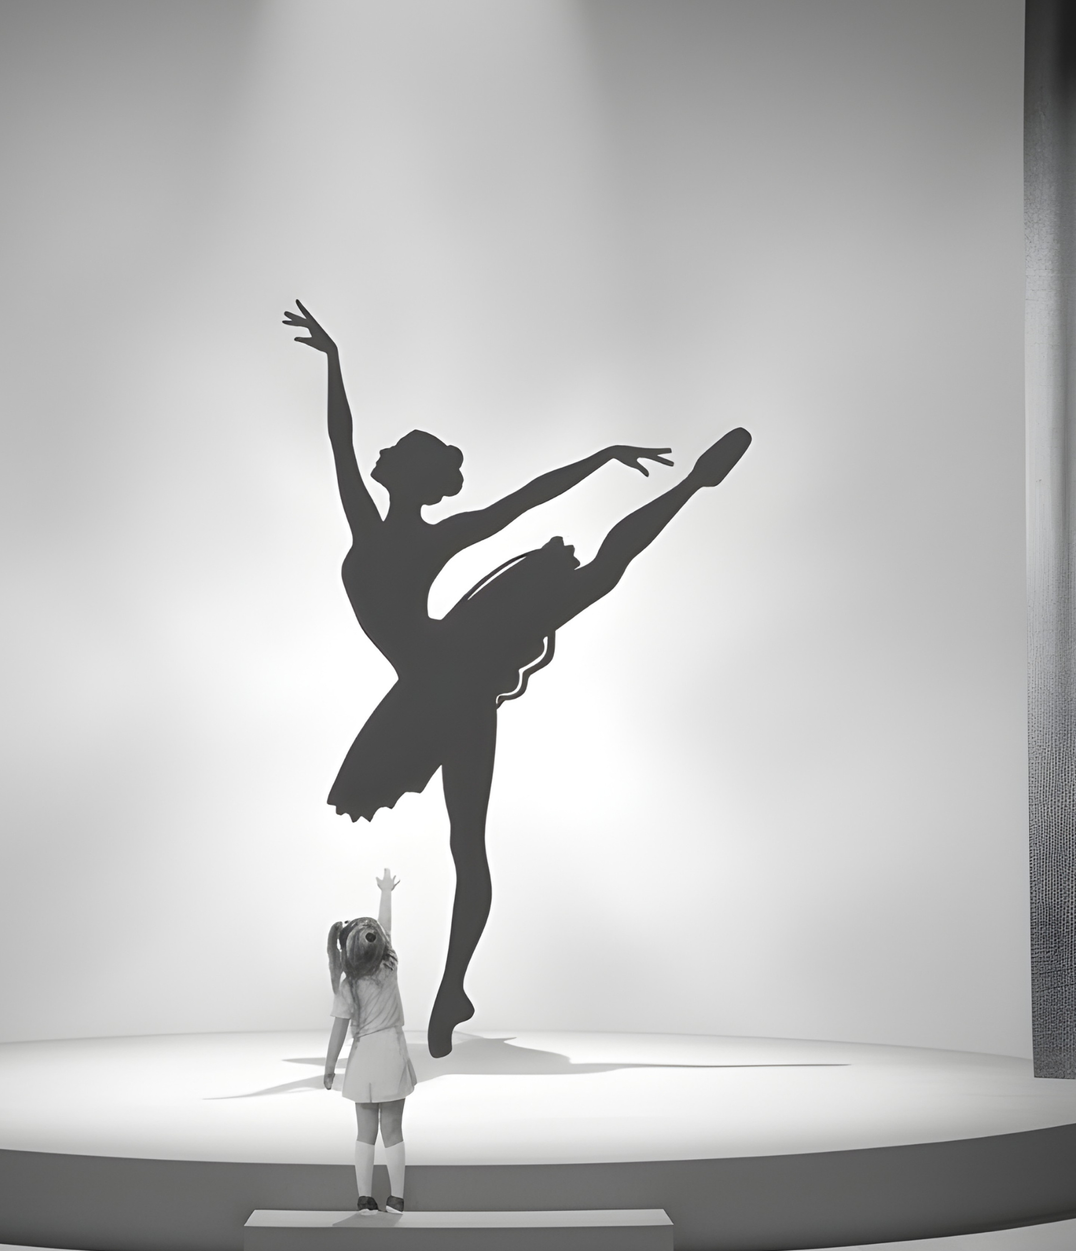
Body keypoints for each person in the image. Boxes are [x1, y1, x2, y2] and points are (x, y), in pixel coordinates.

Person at [285, 300, 750, 1056]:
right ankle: (694, 483)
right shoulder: (422, 535)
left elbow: (355, 444)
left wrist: (335, 361)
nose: (381, 453)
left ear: (402, 475)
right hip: (451, 679)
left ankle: (696, 482)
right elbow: (505, 493)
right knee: (470, 843)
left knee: (471, 844)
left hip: (436, 677)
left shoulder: (376, 530)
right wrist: (334, 361)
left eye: (395, 450)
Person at [323, 869, 415, 1212]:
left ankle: (364, 1198)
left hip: (363, 1060)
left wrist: (329, 1068)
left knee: (365, 1133)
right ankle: (397, 1198)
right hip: (391, 1054)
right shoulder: (388, 968)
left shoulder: (347, 985)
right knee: (393, 1130)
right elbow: (385, 928)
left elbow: (338, 1030)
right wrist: (386, 893)